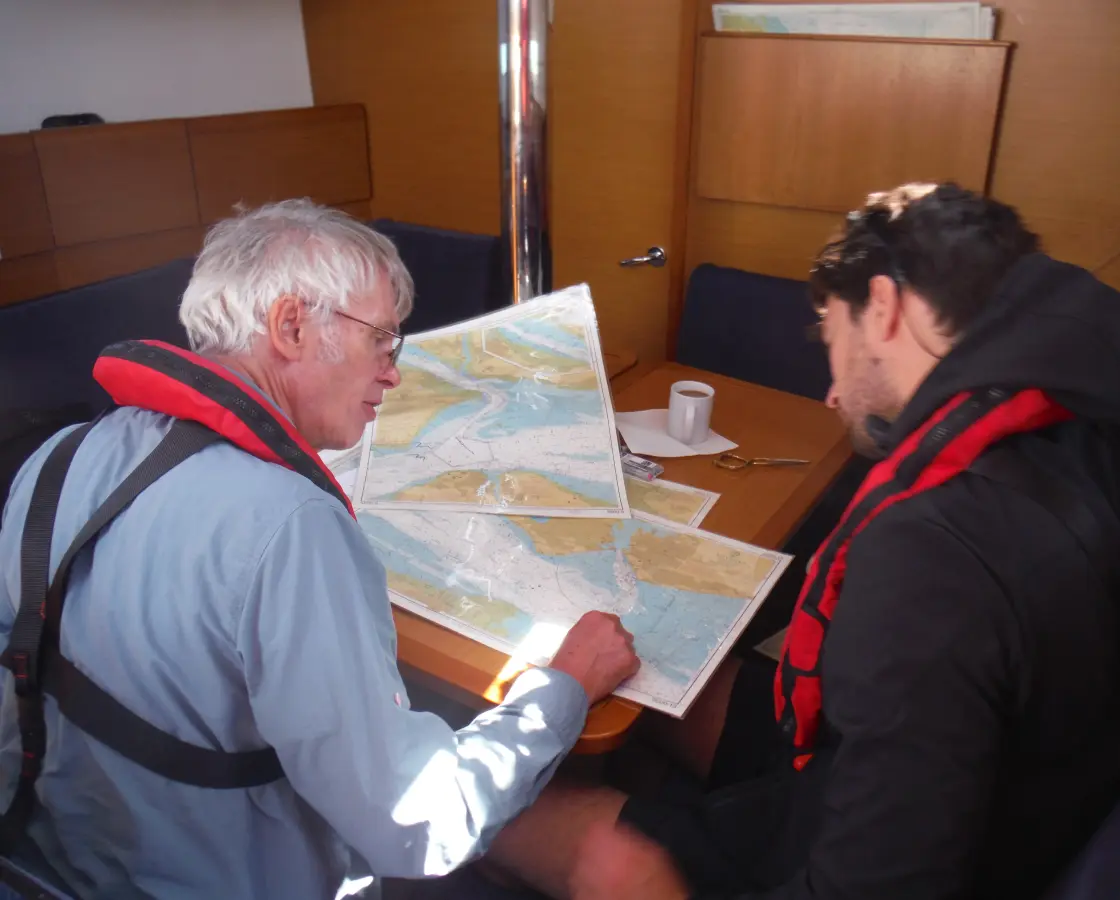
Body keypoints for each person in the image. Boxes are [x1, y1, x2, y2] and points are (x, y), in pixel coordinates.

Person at [486, 183, 1120, 899]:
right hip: (984, 790)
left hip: (901, 848)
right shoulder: (1100, 431)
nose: (831, 391)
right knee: (664, 665)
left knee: (512, 821)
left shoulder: (936, 553)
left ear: (883, 307)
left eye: (832, 333)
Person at [0, 199, 640, 899]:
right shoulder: (290, 525)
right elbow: (419, 823)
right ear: (291, 326)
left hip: (51, 864)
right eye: (383, 341)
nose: (393, 373)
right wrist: (564, 691)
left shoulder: (58, 459)